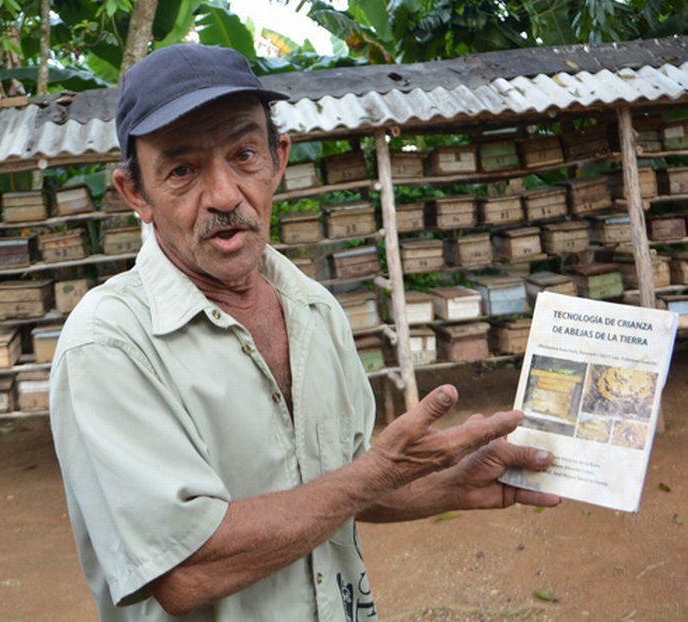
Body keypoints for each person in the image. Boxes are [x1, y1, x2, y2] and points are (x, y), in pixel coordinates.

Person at [49, 44, 559, 622]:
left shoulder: (313, 309)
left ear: (278, 157)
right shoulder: (109, 345)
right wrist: (376, 473)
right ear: (135, 193)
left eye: (244, 154)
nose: (223, 195)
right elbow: (185, 568)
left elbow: (334, 480)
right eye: (182, 169)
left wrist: (448, 482)